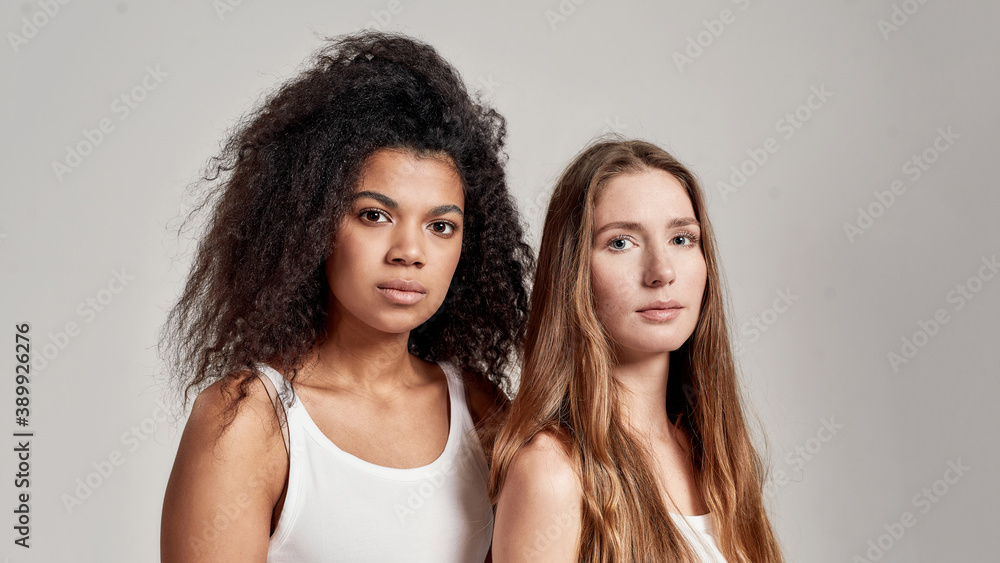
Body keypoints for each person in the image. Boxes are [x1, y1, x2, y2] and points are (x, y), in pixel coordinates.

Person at [160, 31, 533, 562]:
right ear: (311, 225)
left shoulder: (480, 409)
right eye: (374, 215)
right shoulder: (249, 423)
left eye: (441, 226)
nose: (409, 251)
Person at [489, 139, 783, 562]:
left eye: (682, 238)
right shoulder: (551, 473)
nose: (662, 272)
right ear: (573, 272)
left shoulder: (720, 457)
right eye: (621, 243)